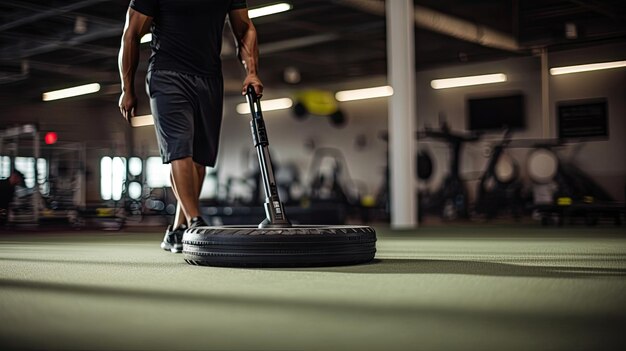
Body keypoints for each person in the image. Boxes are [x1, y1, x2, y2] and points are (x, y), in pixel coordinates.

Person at [118, 0, 262, 253]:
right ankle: (196, 222)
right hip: (167, 73)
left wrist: (252, 71)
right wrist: (126, 89)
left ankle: (176, 230)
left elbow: (245, 28)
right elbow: (131, 34)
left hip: (209, 77)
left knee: (199, 159)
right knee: (179, 148)